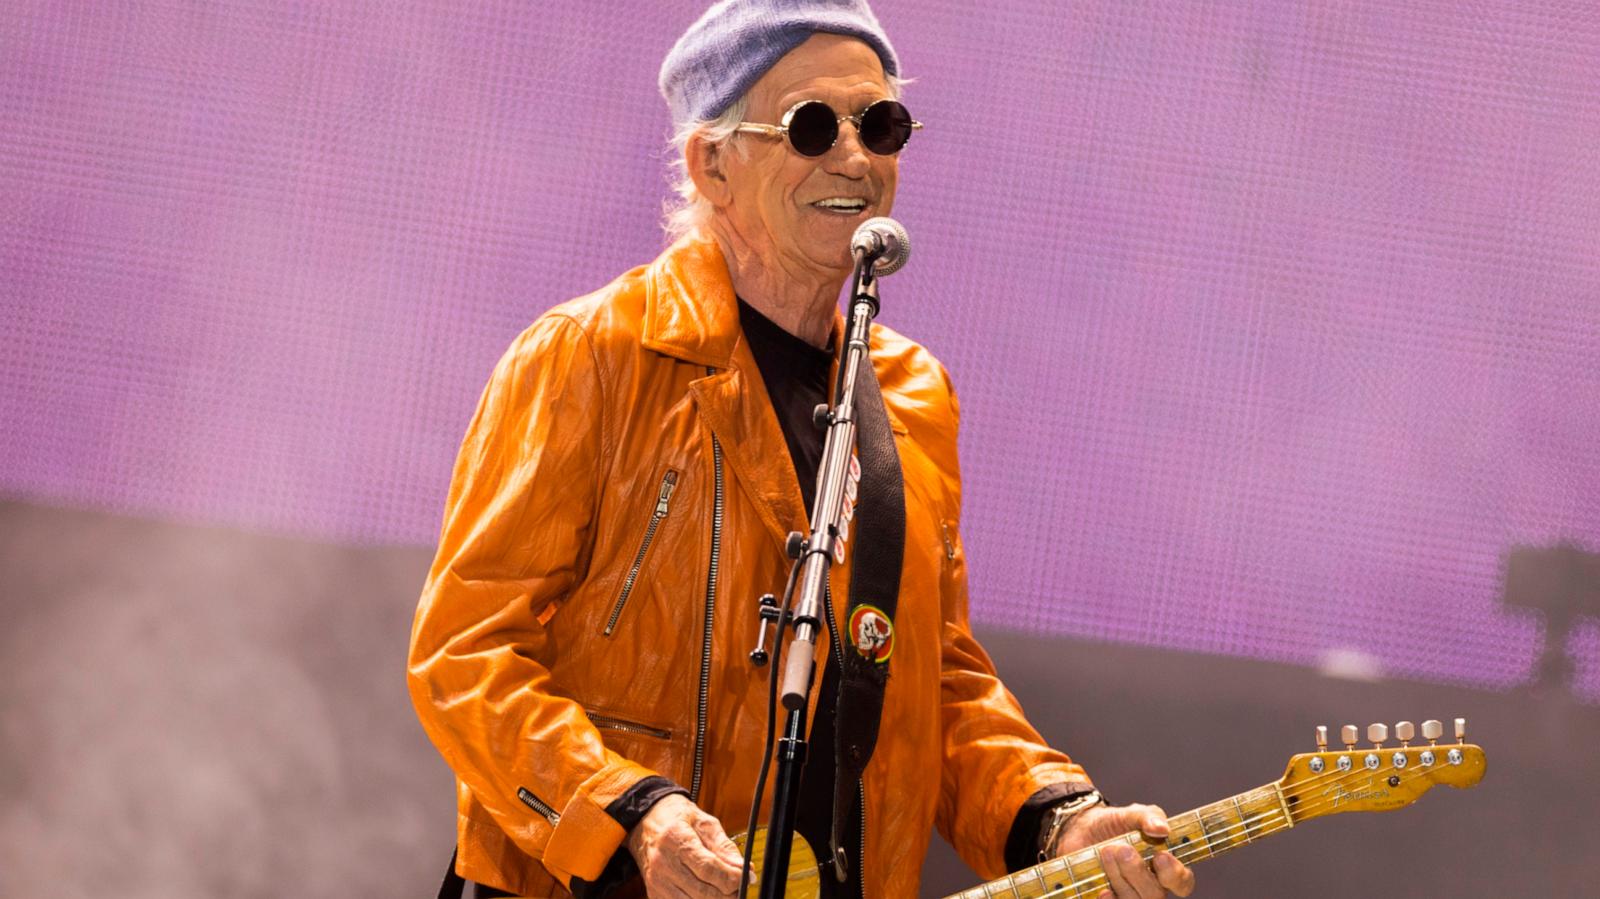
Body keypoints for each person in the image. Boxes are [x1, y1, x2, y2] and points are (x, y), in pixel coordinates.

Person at [406, 2, 1197, 897]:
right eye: (812, 126)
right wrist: (631, 811)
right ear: (712, 162)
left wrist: (1054, 816)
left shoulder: (912, 394)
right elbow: (465, 652)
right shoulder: (590, 354)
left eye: (881, 125)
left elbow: (928, 685)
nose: (854, 158)